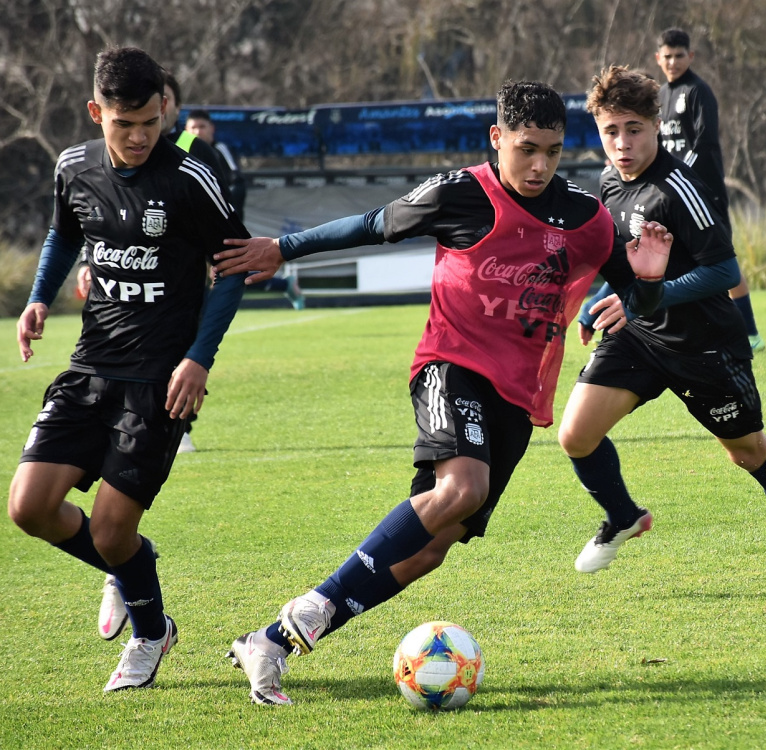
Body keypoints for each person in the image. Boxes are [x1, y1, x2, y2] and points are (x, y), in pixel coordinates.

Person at [210, 79, 672, 705]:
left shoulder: (586, 220)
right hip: (450, 365)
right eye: (527, 149)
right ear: (497, 138)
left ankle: (268, 642)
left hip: (516, 397)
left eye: (553, 152)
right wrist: (282, 248)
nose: (539, 166)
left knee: (430, 550)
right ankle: (311, 608)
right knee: (463, 489)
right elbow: (373, 224)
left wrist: (648, 282)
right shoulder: (461, 193)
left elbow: (640, 298)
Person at [7, 46, 249, 692]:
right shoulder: (73, 167)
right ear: (97, 113)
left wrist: (198, 358)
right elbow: (65, 233)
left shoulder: (191, 178)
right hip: (90, 367)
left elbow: (233, 269)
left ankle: (150, 633)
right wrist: (38, 298)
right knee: (28, 507)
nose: (140, 137)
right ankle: (129, 567)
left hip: (159, 381)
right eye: (124, 124)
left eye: (150, 122)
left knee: (115, 531)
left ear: (164, 108)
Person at [559, 65, 766, 587]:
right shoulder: (609, 182)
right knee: (576, 435)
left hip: (704, 345)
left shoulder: (678, 189)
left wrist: (647, 299)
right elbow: (626, 263)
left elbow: (725, 272)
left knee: (746, 451)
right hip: (640, 337)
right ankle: (623, 516)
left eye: (634, 129)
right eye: (611, 131)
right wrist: (595, 303)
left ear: (656, 125)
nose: (622, 143)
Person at [656, 28, 764, 352]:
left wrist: (678, 173)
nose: (673, 62)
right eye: (667, 56)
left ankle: (751, 334)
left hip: (705, 192)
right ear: (658, 58)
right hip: (673, 193)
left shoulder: (698, 91)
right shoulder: (660, 95)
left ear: (690, 56)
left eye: (679, 55)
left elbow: (704, 142)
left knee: (721, 259)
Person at [185, 108, 305, 311]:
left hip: (217, 225)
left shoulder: (219, 150)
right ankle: (285, 285)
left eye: (202, 127)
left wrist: (229, 218)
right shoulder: (180, 152)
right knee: (209, 274)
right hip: (190, 226)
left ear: (212, 129)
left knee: (227, 272)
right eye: (192, 128)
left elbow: (236, 183)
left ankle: (284, 285)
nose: (197, 132)